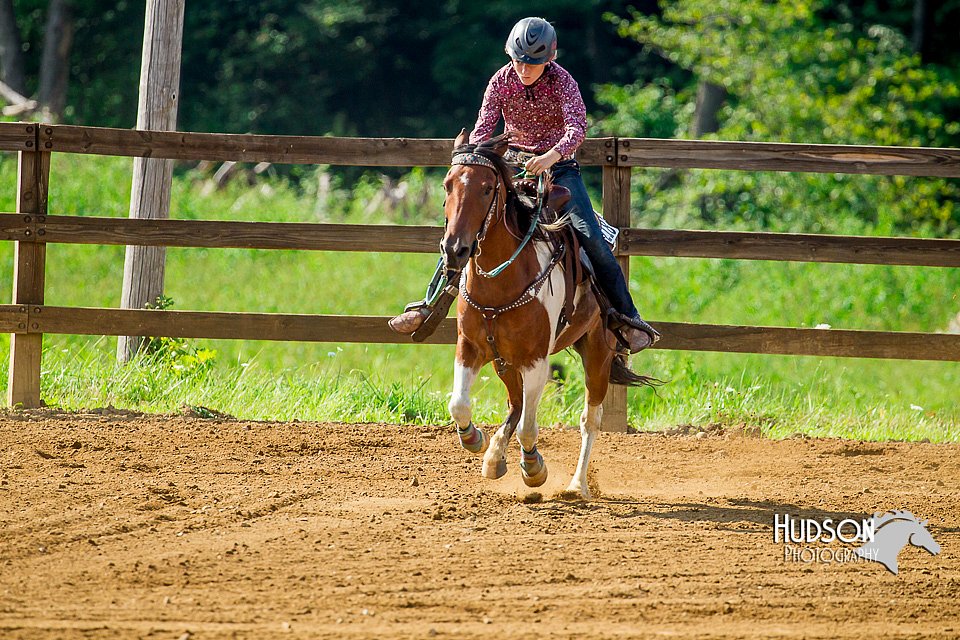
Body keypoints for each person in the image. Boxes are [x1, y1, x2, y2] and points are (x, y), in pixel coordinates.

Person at [389, 16, 660, 352]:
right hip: (511, 170)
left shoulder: (563, 83)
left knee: (592, 239)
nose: (524, 69)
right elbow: (482, 128)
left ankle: (627, 318)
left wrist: (551, 156)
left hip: (559, 171)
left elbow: (577, 129)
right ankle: (429, 305)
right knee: (464, 228)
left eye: (532, 63)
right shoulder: (500, 81)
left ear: (550, 59)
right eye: (518, 61)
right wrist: (477, 161)